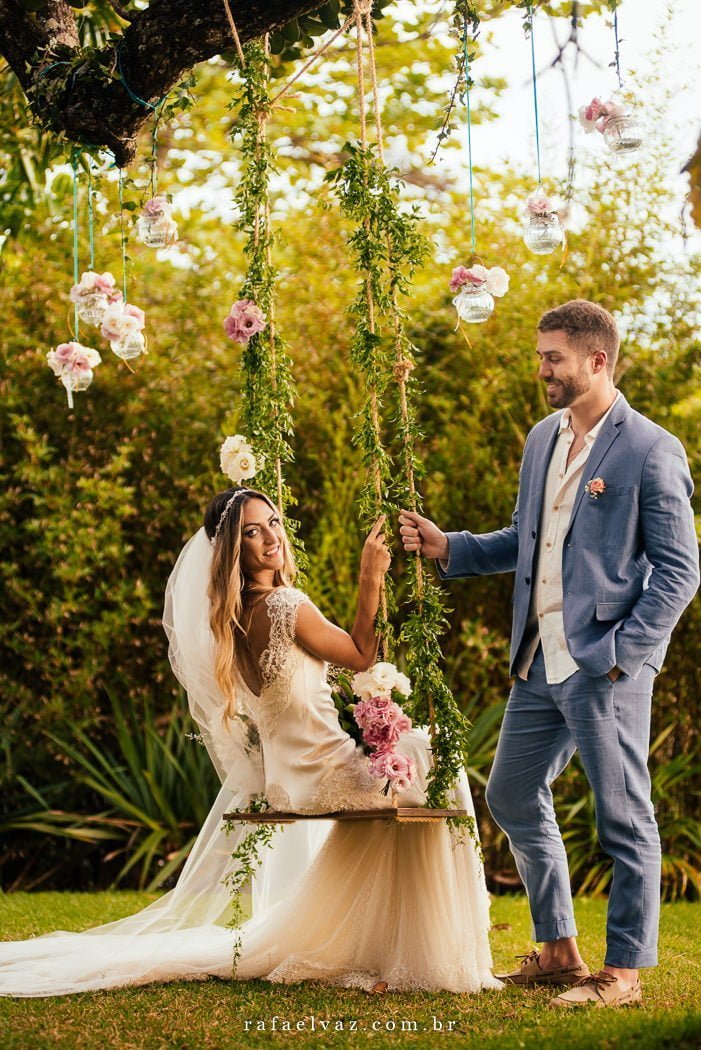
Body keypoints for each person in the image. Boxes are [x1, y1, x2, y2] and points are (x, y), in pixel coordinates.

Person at [0, 487, 500, 997]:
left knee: (415, 762)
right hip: (331, 777)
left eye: (274, 523)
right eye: (252, 532)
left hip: (296, 784)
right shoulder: (285, 604)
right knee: (441, 752)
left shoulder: (234, 619)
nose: (271, 539)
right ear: (232, 551)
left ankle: (397, 945)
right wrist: (370, 576)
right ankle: (442, 951)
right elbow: (360, 655)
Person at [399, 299, 699, 1009]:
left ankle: (621, 972)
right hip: (538, 661)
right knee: (507, 793)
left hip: (605, 666)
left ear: (596, 360)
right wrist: (452, 549)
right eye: (539, 357)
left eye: (551, 357)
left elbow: (680, 570)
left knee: (623, 817)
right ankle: (559, 949)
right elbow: (523, 538)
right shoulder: (542, 438)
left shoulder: (651, 449)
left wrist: (627, 653)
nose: (540, 370)